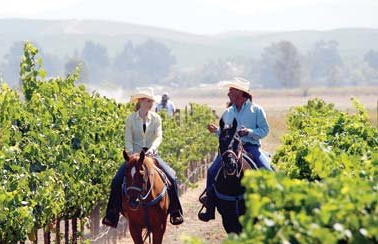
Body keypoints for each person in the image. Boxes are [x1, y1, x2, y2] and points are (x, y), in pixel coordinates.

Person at [102, 88, 184, 227]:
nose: (151, 103)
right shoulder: (130, 119)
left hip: (152, 156)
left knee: (172, 178)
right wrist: (131, 154)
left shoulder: (156, 118)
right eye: (148, 100)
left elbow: (159, 136)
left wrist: (152, 150)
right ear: (140, 101)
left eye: (152, 100)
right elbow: (128, 139)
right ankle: (112, 214)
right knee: (116, 181)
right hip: (134, 158)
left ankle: (175, 211)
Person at [199, 77, 272, 221]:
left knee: (267, 170)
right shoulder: (228, 112)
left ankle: (274, 203)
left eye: (231, 90)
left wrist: (249, 132)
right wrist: (216, 131)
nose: (228, 93)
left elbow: (265, 130)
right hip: (230, 149)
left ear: (240, 92)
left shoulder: (256, 110)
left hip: (250, 147)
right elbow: (226, 134)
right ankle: (209, 205)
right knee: (212, 170)